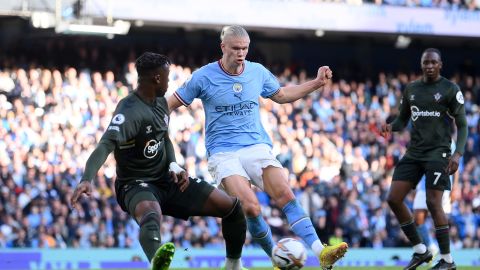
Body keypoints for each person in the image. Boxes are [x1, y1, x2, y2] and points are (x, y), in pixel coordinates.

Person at [167, 25, 348, 270]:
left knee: (285, 193)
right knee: (250, 206)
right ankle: (276, 257)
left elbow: (282, 95)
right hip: (223, 153)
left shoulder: (257, 72)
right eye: (235, 49)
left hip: (256, 146)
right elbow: (167, 105)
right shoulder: (203, 76)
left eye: (245, 48)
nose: (241, 53)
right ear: (223, 47)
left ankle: (321, 252)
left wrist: (316, 83)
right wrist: (142, 114)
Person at [71, 52, 247, 270]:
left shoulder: (161, 104)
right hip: (136, 184)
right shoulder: (129, 111)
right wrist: (87, 178)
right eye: (166, 76)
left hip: (167, 180)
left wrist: (173, 164)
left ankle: (233, 266)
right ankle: (158, 264)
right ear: (156, 78)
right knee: (151, 215)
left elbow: (163, 137)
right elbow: (106, 144)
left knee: (232, 208)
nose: (168, 81)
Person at [381, 48, 467, 270]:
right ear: (421, 65)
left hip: (438, 153)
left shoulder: (450, 89)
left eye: (433, 62)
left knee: (432, 203)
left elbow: (463, 124)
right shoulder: (412, 89)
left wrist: (457, 154)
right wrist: (391, 127)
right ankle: (421, 251)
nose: (429, 66)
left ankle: (448, 261)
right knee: (393, 198)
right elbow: (402, 120)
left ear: (440, 64)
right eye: (425, 62)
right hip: (414, 153)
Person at [413, 128, 460, 263]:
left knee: (440, 220)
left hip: (442, 184)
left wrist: (456, 186)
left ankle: (445, 254)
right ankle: (431, 246)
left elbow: (455, 164)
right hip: (424, 184)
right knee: (417, 218)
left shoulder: (448, 141)